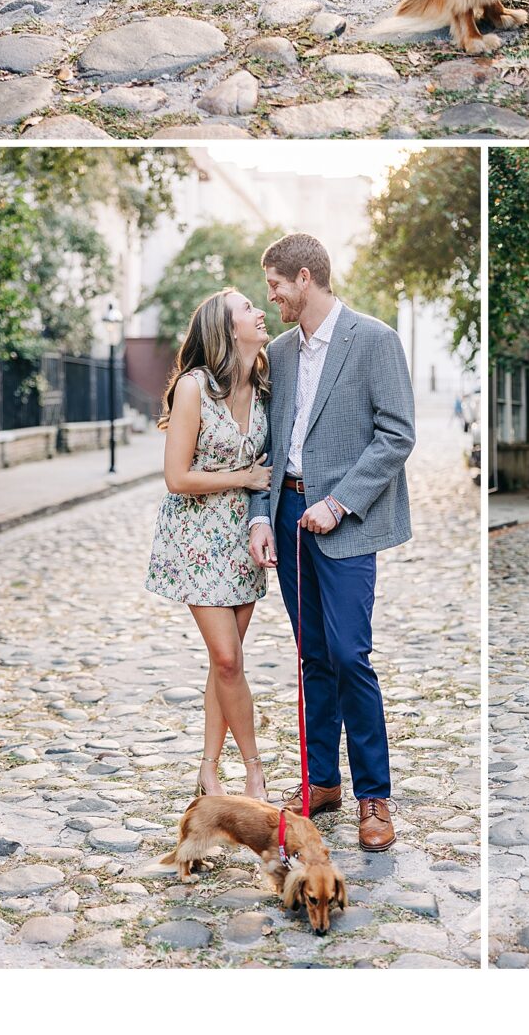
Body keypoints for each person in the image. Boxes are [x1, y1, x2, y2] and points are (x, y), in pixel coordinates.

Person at [249, 231, 416, 852]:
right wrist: (261, 517)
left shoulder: (374, 340)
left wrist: (338, 500)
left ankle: (375, 795)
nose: (272, 299)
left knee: (350, 656)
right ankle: (321, 782)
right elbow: (269, 441)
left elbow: (395, 435)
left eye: (276, 286)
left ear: (306, 279)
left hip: (345, 521)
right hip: (289, 514)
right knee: (311, 655)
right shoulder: (284, 353)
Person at [145, 288, 272, 799]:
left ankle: (208, 769)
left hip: (241, 538)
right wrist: (243, 476)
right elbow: (177, 477)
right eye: (247, 308)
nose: (260, 312)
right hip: (197, 539)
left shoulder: (264, 386)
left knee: (229, 662)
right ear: (225, 328)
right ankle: (254, 770)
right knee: (227, 659)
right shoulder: (193, 388)